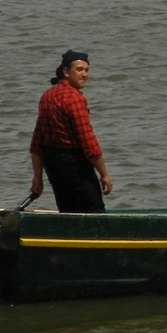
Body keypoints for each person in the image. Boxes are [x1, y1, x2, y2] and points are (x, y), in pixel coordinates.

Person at [29, 49, 113, 212]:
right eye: (79, 69)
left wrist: (37, 176)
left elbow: (37, 141)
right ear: (66, 72)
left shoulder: (47, 95)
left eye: (87, 70)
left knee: (67, 211)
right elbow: (88, 142)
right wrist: (104, 174)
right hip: (73, 165)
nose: (84, 74)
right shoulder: (74, 98)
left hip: (53, 165)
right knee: (93, 210)